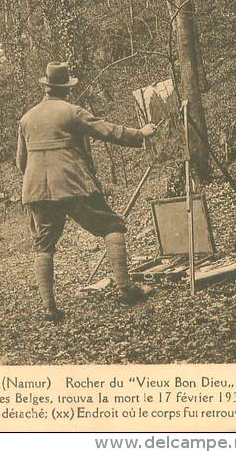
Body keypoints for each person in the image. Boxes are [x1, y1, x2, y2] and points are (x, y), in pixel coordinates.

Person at [16, 62, 157, 322]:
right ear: (66, 89)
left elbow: (21, 163)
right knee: (112, 225)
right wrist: (141, 133)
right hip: (72, 183)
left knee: (43, 245)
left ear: (46, 87)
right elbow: (107, 130)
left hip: (36, 189)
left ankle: (49, 308)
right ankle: (126, 289)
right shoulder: (71, 112)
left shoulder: (26, 118)